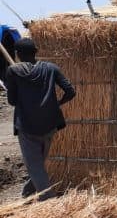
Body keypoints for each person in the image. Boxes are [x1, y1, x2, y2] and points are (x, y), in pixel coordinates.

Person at [4, 37, 76, 199]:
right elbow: (70, 91)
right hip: (50, 124)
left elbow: (12, 101)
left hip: (27, 125)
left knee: (34, 164)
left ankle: (48, 200)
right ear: (36, 52)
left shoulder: (13, 71)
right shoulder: (51, 68)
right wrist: (56, 104)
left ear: (17, 54)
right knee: (37, 163)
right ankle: (28, 193)